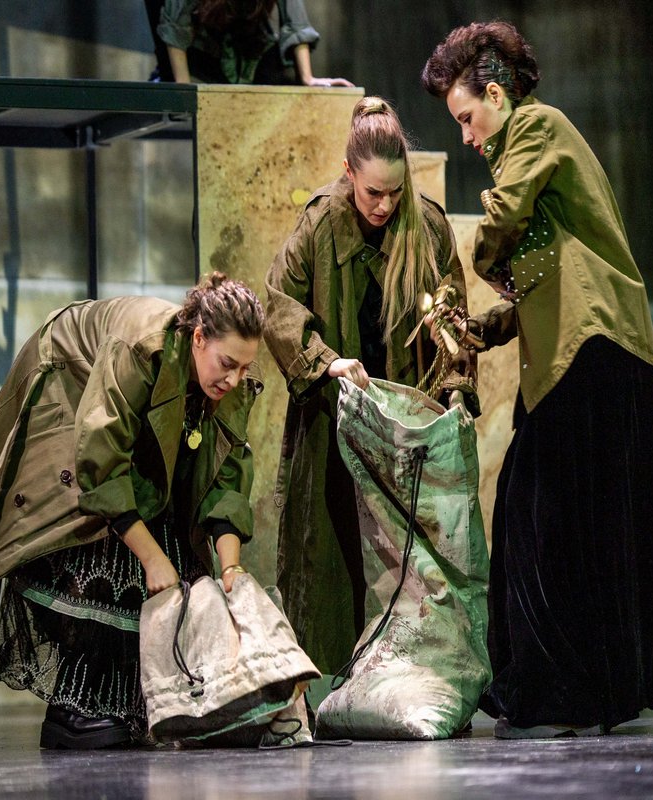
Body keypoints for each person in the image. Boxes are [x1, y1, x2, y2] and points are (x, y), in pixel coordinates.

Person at [420, 21, 653, 738]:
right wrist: (484, 326)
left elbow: (504, 224)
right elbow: (547, 269)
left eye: (466, 116)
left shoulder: (535, 127)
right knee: (557, 521)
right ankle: (567, 688)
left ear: (496, 94)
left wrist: (460, 269)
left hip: (592, 347)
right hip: (584, 347)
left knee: (545, 519)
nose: (466, 136)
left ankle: (561, 690)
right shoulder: (536, 154)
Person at [0, 273, 266, 749]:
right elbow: (100, 464)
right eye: (227, 364)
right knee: (95, 534)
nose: (235, 378)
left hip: (121, 415)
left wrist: (232, 569)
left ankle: (129, 704)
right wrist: (152, 558)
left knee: (171, 538)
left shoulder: (229, 380)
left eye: (245, 367)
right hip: (68, 383)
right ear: (199, 337)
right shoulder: (138, 347)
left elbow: (226, 480)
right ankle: (77, 707)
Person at [264, 96, 478, 676]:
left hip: (407, 426)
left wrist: (457, 390)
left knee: (414, 561)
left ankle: (414, 678)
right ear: (348, 173)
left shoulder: (426, 225)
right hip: (335, 418)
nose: (385, 205)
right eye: (372, 193)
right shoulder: (318, 224)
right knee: (327, 558)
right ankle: (331, 685)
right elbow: (277, 306)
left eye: (395, 192)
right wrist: (326, 362)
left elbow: (453, 320)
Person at [151, 0, 352, 86]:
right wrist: (184, 88)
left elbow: (296, 21)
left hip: (249, 46)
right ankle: (165, 73)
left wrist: (308, 78)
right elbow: (175, 24)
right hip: (202, 48)